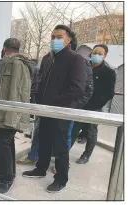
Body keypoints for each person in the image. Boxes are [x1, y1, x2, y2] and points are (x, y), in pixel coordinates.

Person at [22, 25, 87, 193]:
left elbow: (78, 88)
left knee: (60, 146)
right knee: (43, 140)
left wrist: (55, 102)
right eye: (52, 37)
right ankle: (40, 168)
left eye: (59, 36)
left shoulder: (75, 59)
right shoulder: (47, 58)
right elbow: (41, 82)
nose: (54, 40)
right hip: (45, 110)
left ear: (68, 40)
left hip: (61, 110)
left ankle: (61, 178)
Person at [0, 38, 33, 194]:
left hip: (9, 114)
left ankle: (6, 178)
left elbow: (17, 93)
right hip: (3, 112)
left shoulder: (16, 64)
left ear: (5, 48)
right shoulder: (8, 62)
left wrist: (12, 118)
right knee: (5, 143)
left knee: (4, 145)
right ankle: (6, 172)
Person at [70, 44, 116, 164]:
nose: (96, 55)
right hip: (80, 105)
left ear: (105, 56)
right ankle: (64, 152)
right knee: (73, 130)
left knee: (91, 132)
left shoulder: (108, 72)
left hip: (94, 108)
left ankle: (86, 155)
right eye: (95, 52)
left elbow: (109, 93)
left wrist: (97, 103)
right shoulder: (84, 66)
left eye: (100, 54)